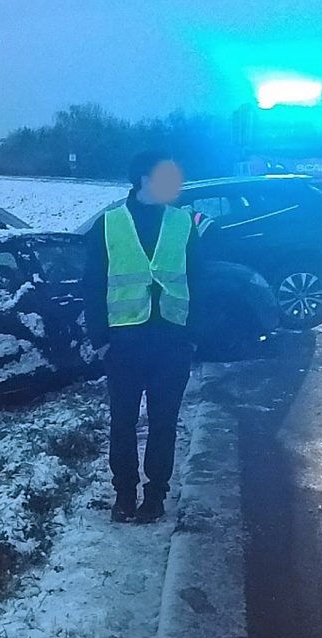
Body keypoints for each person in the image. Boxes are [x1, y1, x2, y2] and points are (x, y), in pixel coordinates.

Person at [83, 152, 200, 523]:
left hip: (172, 342)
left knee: (164, 423)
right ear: (143, 180)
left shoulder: (184, 223)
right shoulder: (108, 224)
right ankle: (124, 494)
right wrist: (100, 338)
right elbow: (92, 284)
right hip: (124, 343)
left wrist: (194, 336)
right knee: (123, 422)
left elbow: (200, 282)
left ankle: (155, 496)